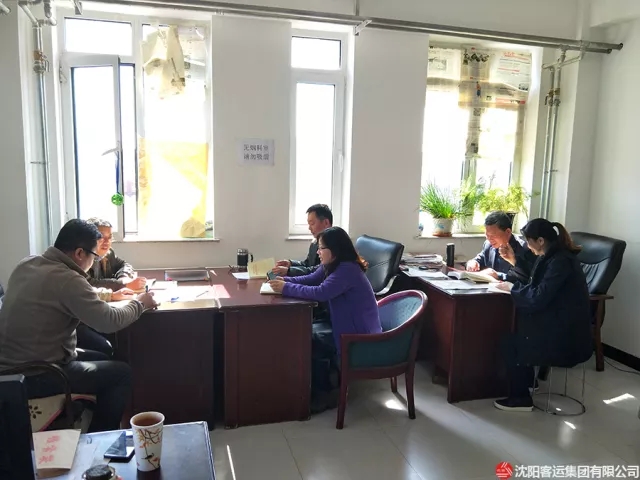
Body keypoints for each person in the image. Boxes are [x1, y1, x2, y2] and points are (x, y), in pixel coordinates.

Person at [0, 219, 158, 432]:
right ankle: (99, 440)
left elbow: (72, 296)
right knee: (121, 373)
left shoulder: (28, 264)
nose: (95, 261)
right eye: (94, 256)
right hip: (36, 374)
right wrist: (140, 303)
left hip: (9, 370)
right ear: (80, 253)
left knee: (103, 356)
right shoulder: (68, 279)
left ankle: (85, 416)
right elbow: (109, 321)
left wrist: (109, 296)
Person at [268, 226, 381, 413]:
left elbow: (320, 292)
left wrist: (285, 288)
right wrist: (283, 281)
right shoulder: (333, 265)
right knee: (304, 333)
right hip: (342, 324)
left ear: (335, 250)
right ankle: (312, 386)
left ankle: (325, 393)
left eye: (321, 248)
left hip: (357, 335)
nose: (318, 252)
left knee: (308, 341)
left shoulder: (347, 270)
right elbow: (311, 279)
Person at [493, 218, 592, 412]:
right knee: (517, 329)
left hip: (567, 336)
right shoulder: (552, 256)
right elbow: (537, 287)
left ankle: (521, 398)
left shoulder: (560, 262)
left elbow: (538, 297)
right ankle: (528, 383)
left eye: (528, 241)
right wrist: (514, 285)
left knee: (510, 341)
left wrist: (513, 289)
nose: (527, 246)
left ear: (540, 241)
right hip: (558, 322)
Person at [80, 217, 148, 357]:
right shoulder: (83, 257)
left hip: (103, 309)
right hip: (83, 319)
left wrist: (123, 277)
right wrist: (123, 285)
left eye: (110, 237)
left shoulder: (108, 253)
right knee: (111, 340)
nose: (106, 242)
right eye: (101, 237)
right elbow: (88, 284)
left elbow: (124, 265)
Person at [272, 204, 333, 324]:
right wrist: (289, 268)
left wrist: (287, 280)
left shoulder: (334, 249)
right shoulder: (316, 242)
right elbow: (310, 270)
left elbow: (319, 288)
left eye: (312, 223)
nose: (309, 228)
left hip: (327, 312)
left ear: (326, 223)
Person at [466, 211, 535, 282]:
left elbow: (525, 278)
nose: (489, 239)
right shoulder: (488, 244)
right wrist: (473, 262)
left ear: (508, 232)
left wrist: (498, 275)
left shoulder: (525, 249)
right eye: (487, 235)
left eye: (493, 235)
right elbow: (480, 259)